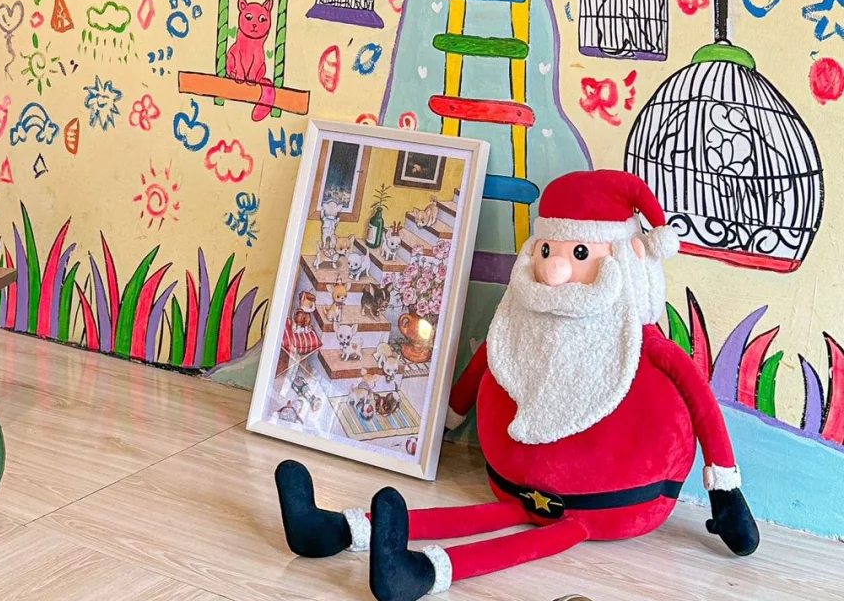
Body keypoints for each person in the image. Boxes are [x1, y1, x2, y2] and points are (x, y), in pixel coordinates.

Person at [274, 170, 758, 600]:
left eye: (579, 254)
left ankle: (421, 573)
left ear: (627, 257)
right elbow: (487, 361)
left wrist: (726, 494)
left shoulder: (643, 343)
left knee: (543, 535)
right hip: (513, 490)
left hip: (601, 510)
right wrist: (440, 424)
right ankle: (334, 528)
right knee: (497, 516)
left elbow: (700, 403)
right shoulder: (520, 326)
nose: (553, 270)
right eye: (547, 250)